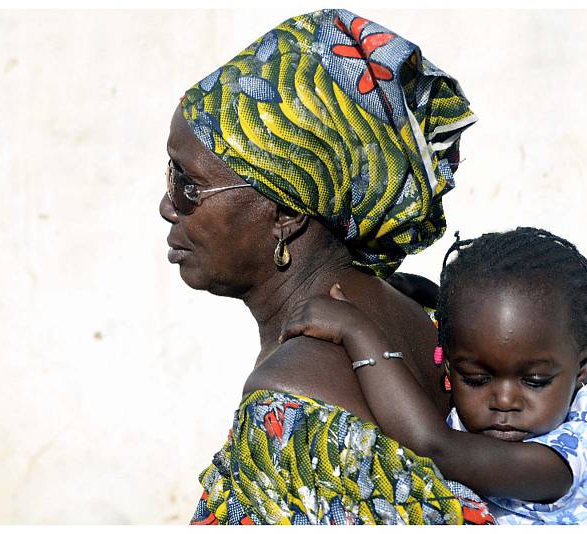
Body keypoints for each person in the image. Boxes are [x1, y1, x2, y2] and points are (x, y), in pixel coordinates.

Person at [160, 8, 493, 525]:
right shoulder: (412, 311)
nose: (167, 206)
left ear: (286, 213)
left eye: (188, 186)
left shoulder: (290, 408)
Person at [281, 227, 587, 524]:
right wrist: (425, 294)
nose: (504, 400)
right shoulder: (539, 388)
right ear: (447, 363)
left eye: (534, 381)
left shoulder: (568, 459)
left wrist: (355, 330)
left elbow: (434, 448)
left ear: (583, 366)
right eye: (476, 379)